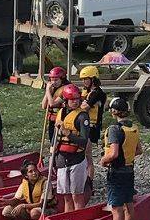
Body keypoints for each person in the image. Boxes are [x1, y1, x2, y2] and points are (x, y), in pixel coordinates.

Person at [101, 95, 142, 220]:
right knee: (129, 206)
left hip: (116, 171)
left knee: (117, 209)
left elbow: (113, 153)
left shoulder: (114, 129)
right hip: (129, 170)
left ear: (113, 112)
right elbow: (139, 150)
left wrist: (103, 160)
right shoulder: (133, 128)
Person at [51, 84, 91, 212]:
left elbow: (84, 141)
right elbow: (55, 136)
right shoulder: (61, 113)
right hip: (61, 160)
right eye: (72, 99)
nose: (75, 102)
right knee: (66, 196)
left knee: (77, 195)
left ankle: (79, 218)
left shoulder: (82, 117)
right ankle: (68, 219)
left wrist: (68, 133)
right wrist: (53, 156)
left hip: (77, 160)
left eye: (77, 99)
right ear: (66, 101)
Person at [39, 66, 68, 152]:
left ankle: (57, 160)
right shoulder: (53, 88)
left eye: (56, 80)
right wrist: (48, 92)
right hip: (52, 121)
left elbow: (52, 104)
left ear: (62, 79)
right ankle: (53, 162)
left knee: (57, 144)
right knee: (52, 143)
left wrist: (48, 90)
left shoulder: (66, 89)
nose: (53, 82)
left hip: (61, 121)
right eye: (52, 80)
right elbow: (44, 106)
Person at [76, 65, 108, 132]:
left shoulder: (97, 93)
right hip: (85, 123)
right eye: (83, 79)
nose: (83, 82)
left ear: (93, 79)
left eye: (86, 79)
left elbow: (85, 108)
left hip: (93, 126)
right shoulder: (86, 91)